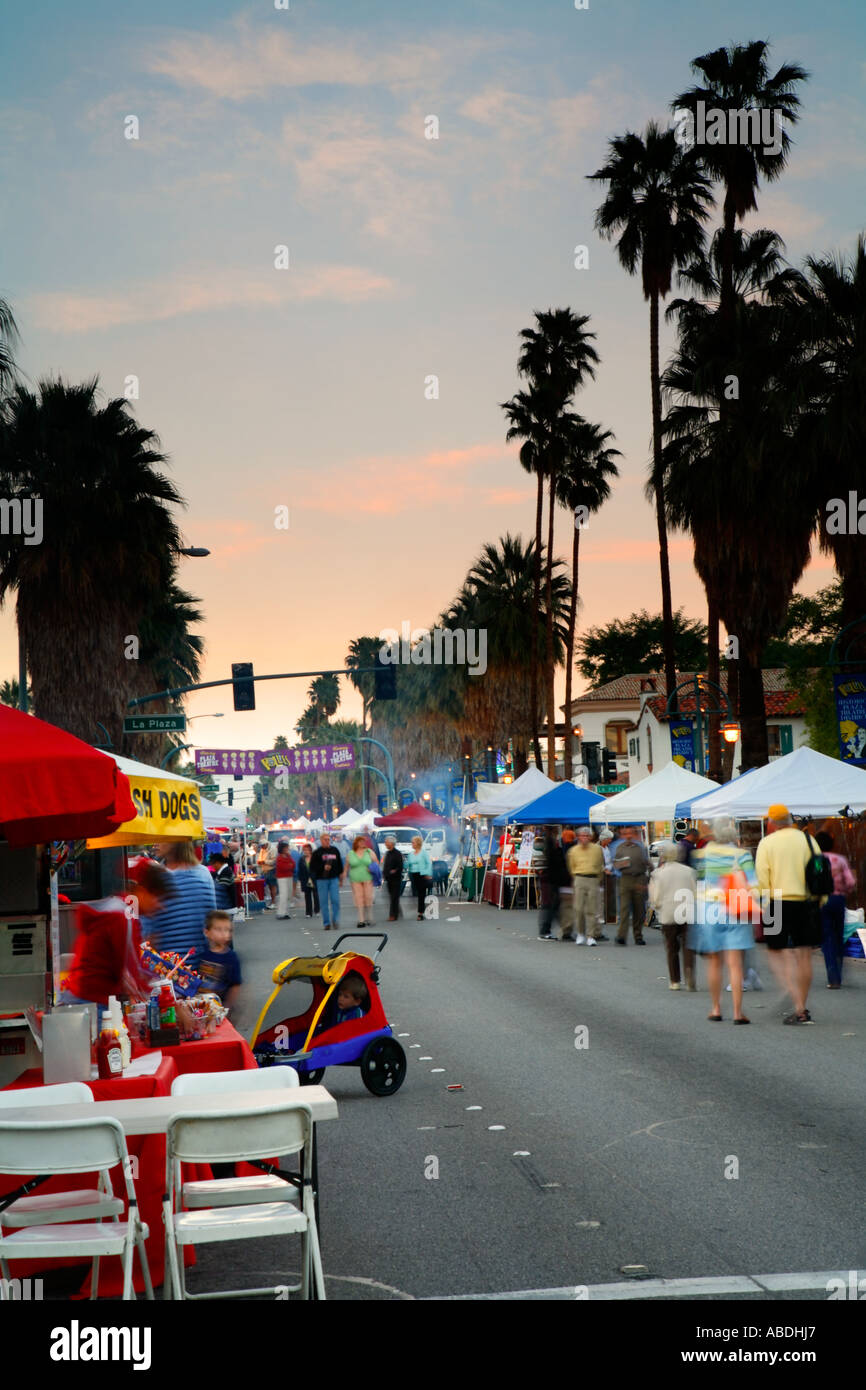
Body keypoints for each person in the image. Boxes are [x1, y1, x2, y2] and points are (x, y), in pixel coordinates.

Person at [60, 858, 174, 1025]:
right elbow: (133, 976)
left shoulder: (121, 910)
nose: (160, 906)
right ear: (141, 891)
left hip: (85, 1000)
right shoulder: (122, 917)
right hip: (90, 1004)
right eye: (158, 898)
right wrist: (170, 1004)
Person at [755, 803, 823, 1025]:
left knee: (776, 951)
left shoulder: (767, 843)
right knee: (805, 954)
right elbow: (820, 869)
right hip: (807, 902)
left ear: (772, 823)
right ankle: (801, 1005)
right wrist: (820, 899)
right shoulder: (808, 840)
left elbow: (762, 878)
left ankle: (794, 998)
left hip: (777, 903)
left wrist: (762, 904)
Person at [691, 817, 758, 1023]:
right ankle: (738, 1013)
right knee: (735, 964)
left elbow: (698, 884)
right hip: (735, 910)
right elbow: (754, 886)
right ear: (734, 837)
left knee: (714, 963)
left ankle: (716, 1008)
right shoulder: (742, 855)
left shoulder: (702, 855)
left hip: (709, 910)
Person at [143, 839, 216, 959]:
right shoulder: (152, 877)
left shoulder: (202, 874)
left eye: (161, 836)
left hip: (198, 967)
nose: (155, 842)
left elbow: (211, 922)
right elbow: (148, 932)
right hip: (165, 968)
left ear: (176, 838)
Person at [649, 841, 697, 990]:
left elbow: (655, 898)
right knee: (688, 945)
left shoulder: (658, 874)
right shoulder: (689, 871)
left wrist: (657, 906)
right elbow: (695, 892)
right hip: (687, 910)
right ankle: (689, 973)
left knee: (671, 948)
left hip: (668, 912)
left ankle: (675, 980)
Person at [815, 830, 856, 989]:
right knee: (839, 935)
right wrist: (845, 890)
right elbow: (851, 882)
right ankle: (839, 971)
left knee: (827, 937)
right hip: (839, 899)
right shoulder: (840, 859)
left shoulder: (818, 860)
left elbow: (816, 878)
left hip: (823, 900)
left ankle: (833, 978)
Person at [193, 910, 242, 1013]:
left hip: (220, 1007)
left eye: (227, 930)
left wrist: (227, 1007)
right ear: (207, 932)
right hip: (202, 1004)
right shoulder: (203, 953)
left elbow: (235, 984)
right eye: (219, 929)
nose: (224, 934)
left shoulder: (231, 957)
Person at [566, 825, 604, 945]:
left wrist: (598, 879)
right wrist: (576, 878)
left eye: (587, 836)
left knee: (592, 909)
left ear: (591, 837)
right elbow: (571, 867)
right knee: (578, 908)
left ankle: (591, 936)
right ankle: (581, 933)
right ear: (578, 837)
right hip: (579, 878)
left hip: (593, 879)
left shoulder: (597, 849)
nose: (585, 838)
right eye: (582, 836)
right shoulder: (573, 851)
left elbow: (600, 864)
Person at [613, 826, 650, 945]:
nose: (628, 836)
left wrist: (648, 877)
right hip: (625, 879)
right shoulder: (619, 848)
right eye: (625, 834)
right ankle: (621, 936)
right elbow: (614, 864)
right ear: (622, 836)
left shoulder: (640, 847)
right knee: (624, 909)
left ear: (634, 835)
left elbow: (646, 862)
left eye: (630, 834)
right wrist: (621, 864)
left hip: (639, 878)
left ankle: (638, 935)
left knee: (639, 909)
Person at [310, 832, 345, 931]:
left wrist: (341, 878)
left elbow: (339, 865)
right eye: (325, 839)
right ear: (321, 841)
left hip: (334, 878)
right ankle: (326, 923)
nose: (327, 841)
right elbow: (312, 867)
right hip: (322, 880)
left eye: (328, 839)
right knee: (324, 902)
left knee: (335, 900)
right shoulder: (317, 852)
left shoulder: (334, 850)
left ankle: (335, 920)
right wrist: (323, 867)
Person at [538, 829, 569, 941]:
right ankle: (547, 931)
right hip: (553, 881)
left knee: (553, 907)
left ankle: (564, 930)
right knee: (552, 907)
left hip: (553, 881)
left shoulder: (552, 848)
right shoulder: (553, 850)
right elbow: (557, 865)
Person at [348, 834, 376, 928]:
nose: (363, 843)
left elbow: (376, 862)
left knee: (368, 897)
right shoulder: (351, 853)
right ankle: (361, 920)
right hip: (355, 879)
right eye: (361, 841)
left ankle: (370, 918)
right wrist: (343, 875)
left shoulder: (369, 851)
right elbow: (347, 866)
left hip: (367, 878)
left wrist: (372, 868)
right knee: (359, 898)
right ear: (356, 843)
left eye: (364, 841)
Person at [406, 835, 432, 921]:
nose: (411, 844)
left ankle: (420, 913)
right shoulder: (411, 854)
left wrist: (428, 873)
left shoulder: (423, 852)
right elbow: (408, 864)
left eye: (413, 842)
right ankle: (422, 908)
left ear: (417, 843)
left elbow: (429, 863)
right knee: (416, 893)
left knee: (421, 894)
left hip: (422, 875)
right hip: (413, 875)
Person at [382, 834, 404, 921]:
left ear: (391, 843)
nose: (385, 844)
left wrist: (394, 871)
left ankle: (393, 915)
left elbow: (400, 866)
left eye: (386, 842)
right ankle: (398, 911)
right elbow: (386, 865)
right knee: (393, 897)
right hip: (388, 879)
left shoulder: (397, 854)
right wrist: (384, 874)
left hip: (396, 879)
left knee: (394, 897)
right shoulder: (387, 853)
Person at [297, 843, 320, 918]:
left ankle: (317, 910)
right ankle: (308, 912)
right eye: (304, 850)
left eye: (307, 850)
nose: (306, 851)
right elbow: (300, 870)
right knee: (307, 896)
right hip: (305, 879)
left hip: (314, 879)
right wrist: (300, 880)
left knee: (316, 895)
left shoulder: (315, 858)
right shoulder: (301, 859)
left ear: (310, 850)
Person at [275, 839, 295, 920]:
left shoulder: (288, 856)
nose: (287, 849)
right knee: (284, 895)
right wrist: (289, 865)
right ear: (282, 848)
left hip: (289, 876)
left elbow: (293, 864)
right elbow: (283, 867)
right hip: (282, 878)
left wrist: (289, 865)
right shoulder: (279, 858)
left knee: (289, 895)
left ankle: (286, 912)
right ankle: (281, 912)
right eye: (286, 847)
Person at [257, 839, 278, 909]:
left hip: (271, 870)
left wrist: (264, 862)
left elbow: (274, 861)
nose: (262, 848)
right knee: (267, 887)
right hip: (265, 870)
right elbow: (260, 857)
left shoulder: (273, 849)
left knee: (272, 886)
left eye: (262, 846)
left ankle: (274, 902)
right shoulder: (263, 849)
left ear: (266, 844)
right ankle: (270, 901)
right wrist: (260, 861)